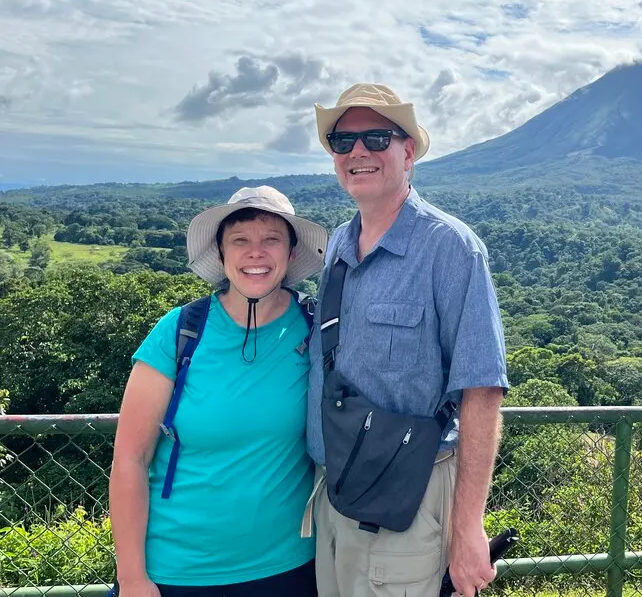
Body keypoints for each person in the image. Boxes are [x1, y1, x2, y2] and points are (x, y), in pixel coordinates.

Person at [306, 83, 508, 597]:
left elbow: (481, 392)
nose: (358, 152)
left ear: (408, 151)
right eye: (342, 141)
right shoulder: (338, 246)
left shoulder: (452, 250)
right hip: (333, 494)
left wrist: (468, 530)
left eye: (377, 138)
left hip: (409, 500)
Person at [109, 186, 328, 597]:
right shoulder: (179, 332)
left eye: (271, 239)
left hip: (291, 568)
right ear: (222, 254)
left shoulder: (317, 330)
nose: (255, 252)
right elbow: (130, 460)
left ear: (292, 253)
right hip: (178, 570)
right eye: (240, 240)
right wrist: (134, 577)